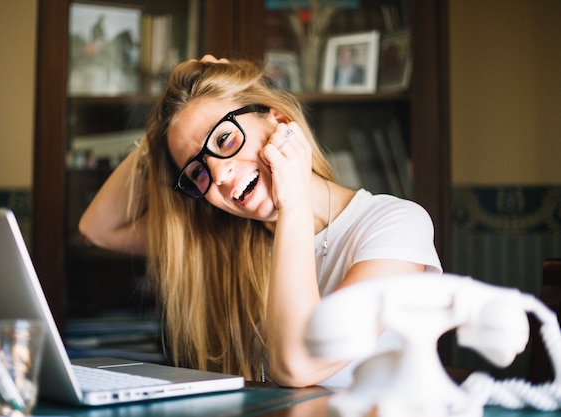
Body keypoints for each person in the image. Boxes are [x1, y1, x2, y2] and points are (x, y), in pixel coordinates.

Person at [79, 54, 442, 388]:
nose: (218, 174)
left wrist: (294, 203)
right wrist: (161, 131)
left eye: (223, 138)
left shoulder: (396, 225)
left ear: (280, 122)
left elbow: (297, 365)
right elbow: (97, 228)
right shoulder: (222, 236)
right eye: (197, 170)